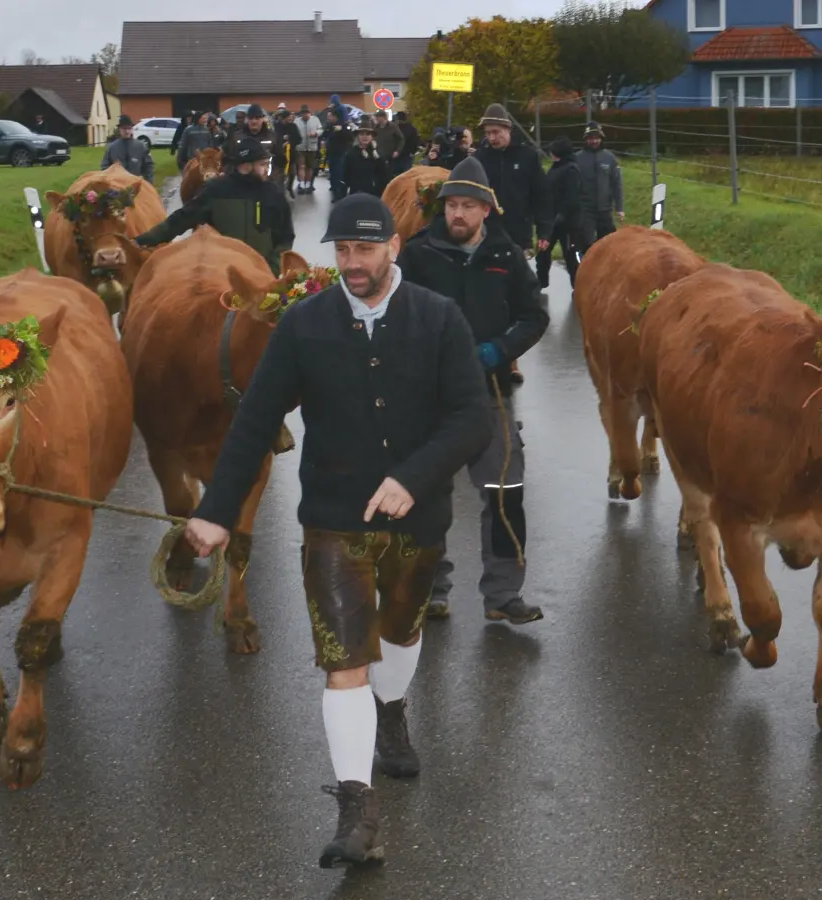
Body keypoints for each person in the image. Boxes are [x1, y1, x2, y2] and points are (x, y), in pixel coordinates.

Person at [180, 193, 492, 867]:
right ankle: (357, 809)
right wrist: (217, 509)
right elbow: (256, 418)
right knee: (343, 659)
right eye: (343, 250)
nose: (353, 263)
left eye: (365, 250)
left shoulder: (439, 318)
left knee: (400, 634)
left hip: (418, 518)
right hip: (331, 518)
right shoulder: (304, 324)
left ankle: (392, 710)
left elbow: (473, 418)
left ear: (394, 249)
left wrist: (413, 478)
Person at [397, 156, 550, 625]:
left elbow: (534, 316)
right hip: (429, 398)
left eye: (467, 206)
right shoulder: (418, 255)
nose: (458, 214)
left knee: (506, 490)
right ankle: (430, 588)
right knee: (427, 495)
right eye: (451, 205)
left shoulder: (506, 256)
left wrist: (500, 350)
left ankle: (503, 595)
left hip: (489, 393)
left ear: (486, 210)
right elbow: (396, 315)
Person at [134, 136, 293, 272]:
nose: (267, 170)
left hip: (261, 275)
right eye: (263, 164)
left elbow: (286, 236)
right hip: (221, 275)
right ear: (246, 165)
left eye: (267, 164)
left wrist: (272, 268)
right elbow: (180, 220)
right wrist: (142, 240)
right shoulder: (216, 190)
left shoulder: (274, 193)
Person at [475, 103, 551, 257]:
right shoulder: (479, 158)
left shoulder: (528, 157)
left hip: (519, 236)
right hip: (486, 234)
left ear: (508, 128)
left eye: (496, 132)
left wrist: (544, 231)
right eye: (488, 133)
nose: (492, 138)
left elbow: (541, 195)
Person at [537, 137, 585, 290]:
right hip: (552, 220)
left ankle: (578, 287)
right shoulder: (555, 167)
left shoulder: (571, 170)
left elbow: (572, 197)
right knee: (542, 253)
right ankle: (541, 283)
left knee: (571, 257)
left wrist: (562, 215)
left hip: (569, 223)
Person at [573, 122, 623, 250]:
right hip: (585, 210)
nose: (594, 141)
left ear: (601, 138)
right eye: (590, 138)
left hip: (605, 210)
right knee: (586, 243)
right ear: (586, 139)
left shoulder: (610, 158)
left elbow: (616, 184)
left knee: (608, 244)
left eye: (596, 138)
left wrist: (619, 208)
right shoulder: (577, 159)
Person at [100, 114, 155, 184]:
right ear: (119, 129)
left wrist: (149, 182)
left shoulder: (141, 146)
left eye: (129, 128)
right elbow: (105, 166)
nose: (127, 131)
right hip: (117, 185)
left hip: (136, 185)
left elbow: (148, 166)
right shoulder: (112, 147)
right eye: (124, 128)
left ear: (132, 129)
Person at [343, 121, 388, 198]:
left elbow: (384, 174)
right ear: (358, 136)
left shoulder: (377, 153)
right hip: (357, 194)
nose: (365, 137)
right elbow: (346, 175)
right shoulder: (352, 153)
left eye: (368, 134)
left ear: (372, 136)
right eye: (362, 134)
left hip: (375, 194)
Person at [323, 108, 356, 201]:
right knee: (333, 173)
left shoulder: (344, 125)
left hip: (340, 152)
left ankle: (340, 193)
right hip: (331, 153)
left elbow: (350, 137)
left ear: (335, 116)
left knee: (339, 173)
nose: (328, 118)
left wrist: (341, 130)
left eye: (330, 116)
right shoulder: (329, 125)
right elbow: (325, 135)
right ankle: (334, 189)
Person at [274, 108, 300, 197]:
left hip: (291, 154)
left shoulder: (293, 126)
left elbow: (299, 139)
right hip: (279, 154)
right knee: (280, 174)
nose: (289, 119)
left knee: (292, 173)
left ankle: (289, 187)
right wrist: (281, 139)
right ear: (282, 118)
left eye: (290, 117)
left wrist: (290, 141)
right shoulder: (276, 126)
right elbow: (273, 138)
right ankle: (280, 193)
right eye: (287, 118)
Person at [297, 105, 322, 194]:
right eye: (304, 113)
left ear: (310, 113)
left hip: (312, 147)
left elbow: (320, 129)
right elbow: (294, 132)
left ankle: (308, 184)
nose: (306, 115)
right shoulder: (297, 121)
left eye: (307, 113)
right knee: (301, 166)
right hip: (300, 147)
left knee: (310, 167)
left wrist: (315, 133)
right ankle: (301, 184)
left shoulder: (315, 119)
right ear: (301, 114)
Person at [394, 111, 420, 176]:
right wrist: (413, 152)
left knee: (396, 176)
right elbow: (415, 141)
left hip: (396, 156)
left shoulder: (395, 128)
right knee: (407, 176)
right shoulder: (411, 128)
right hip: (407, 155)